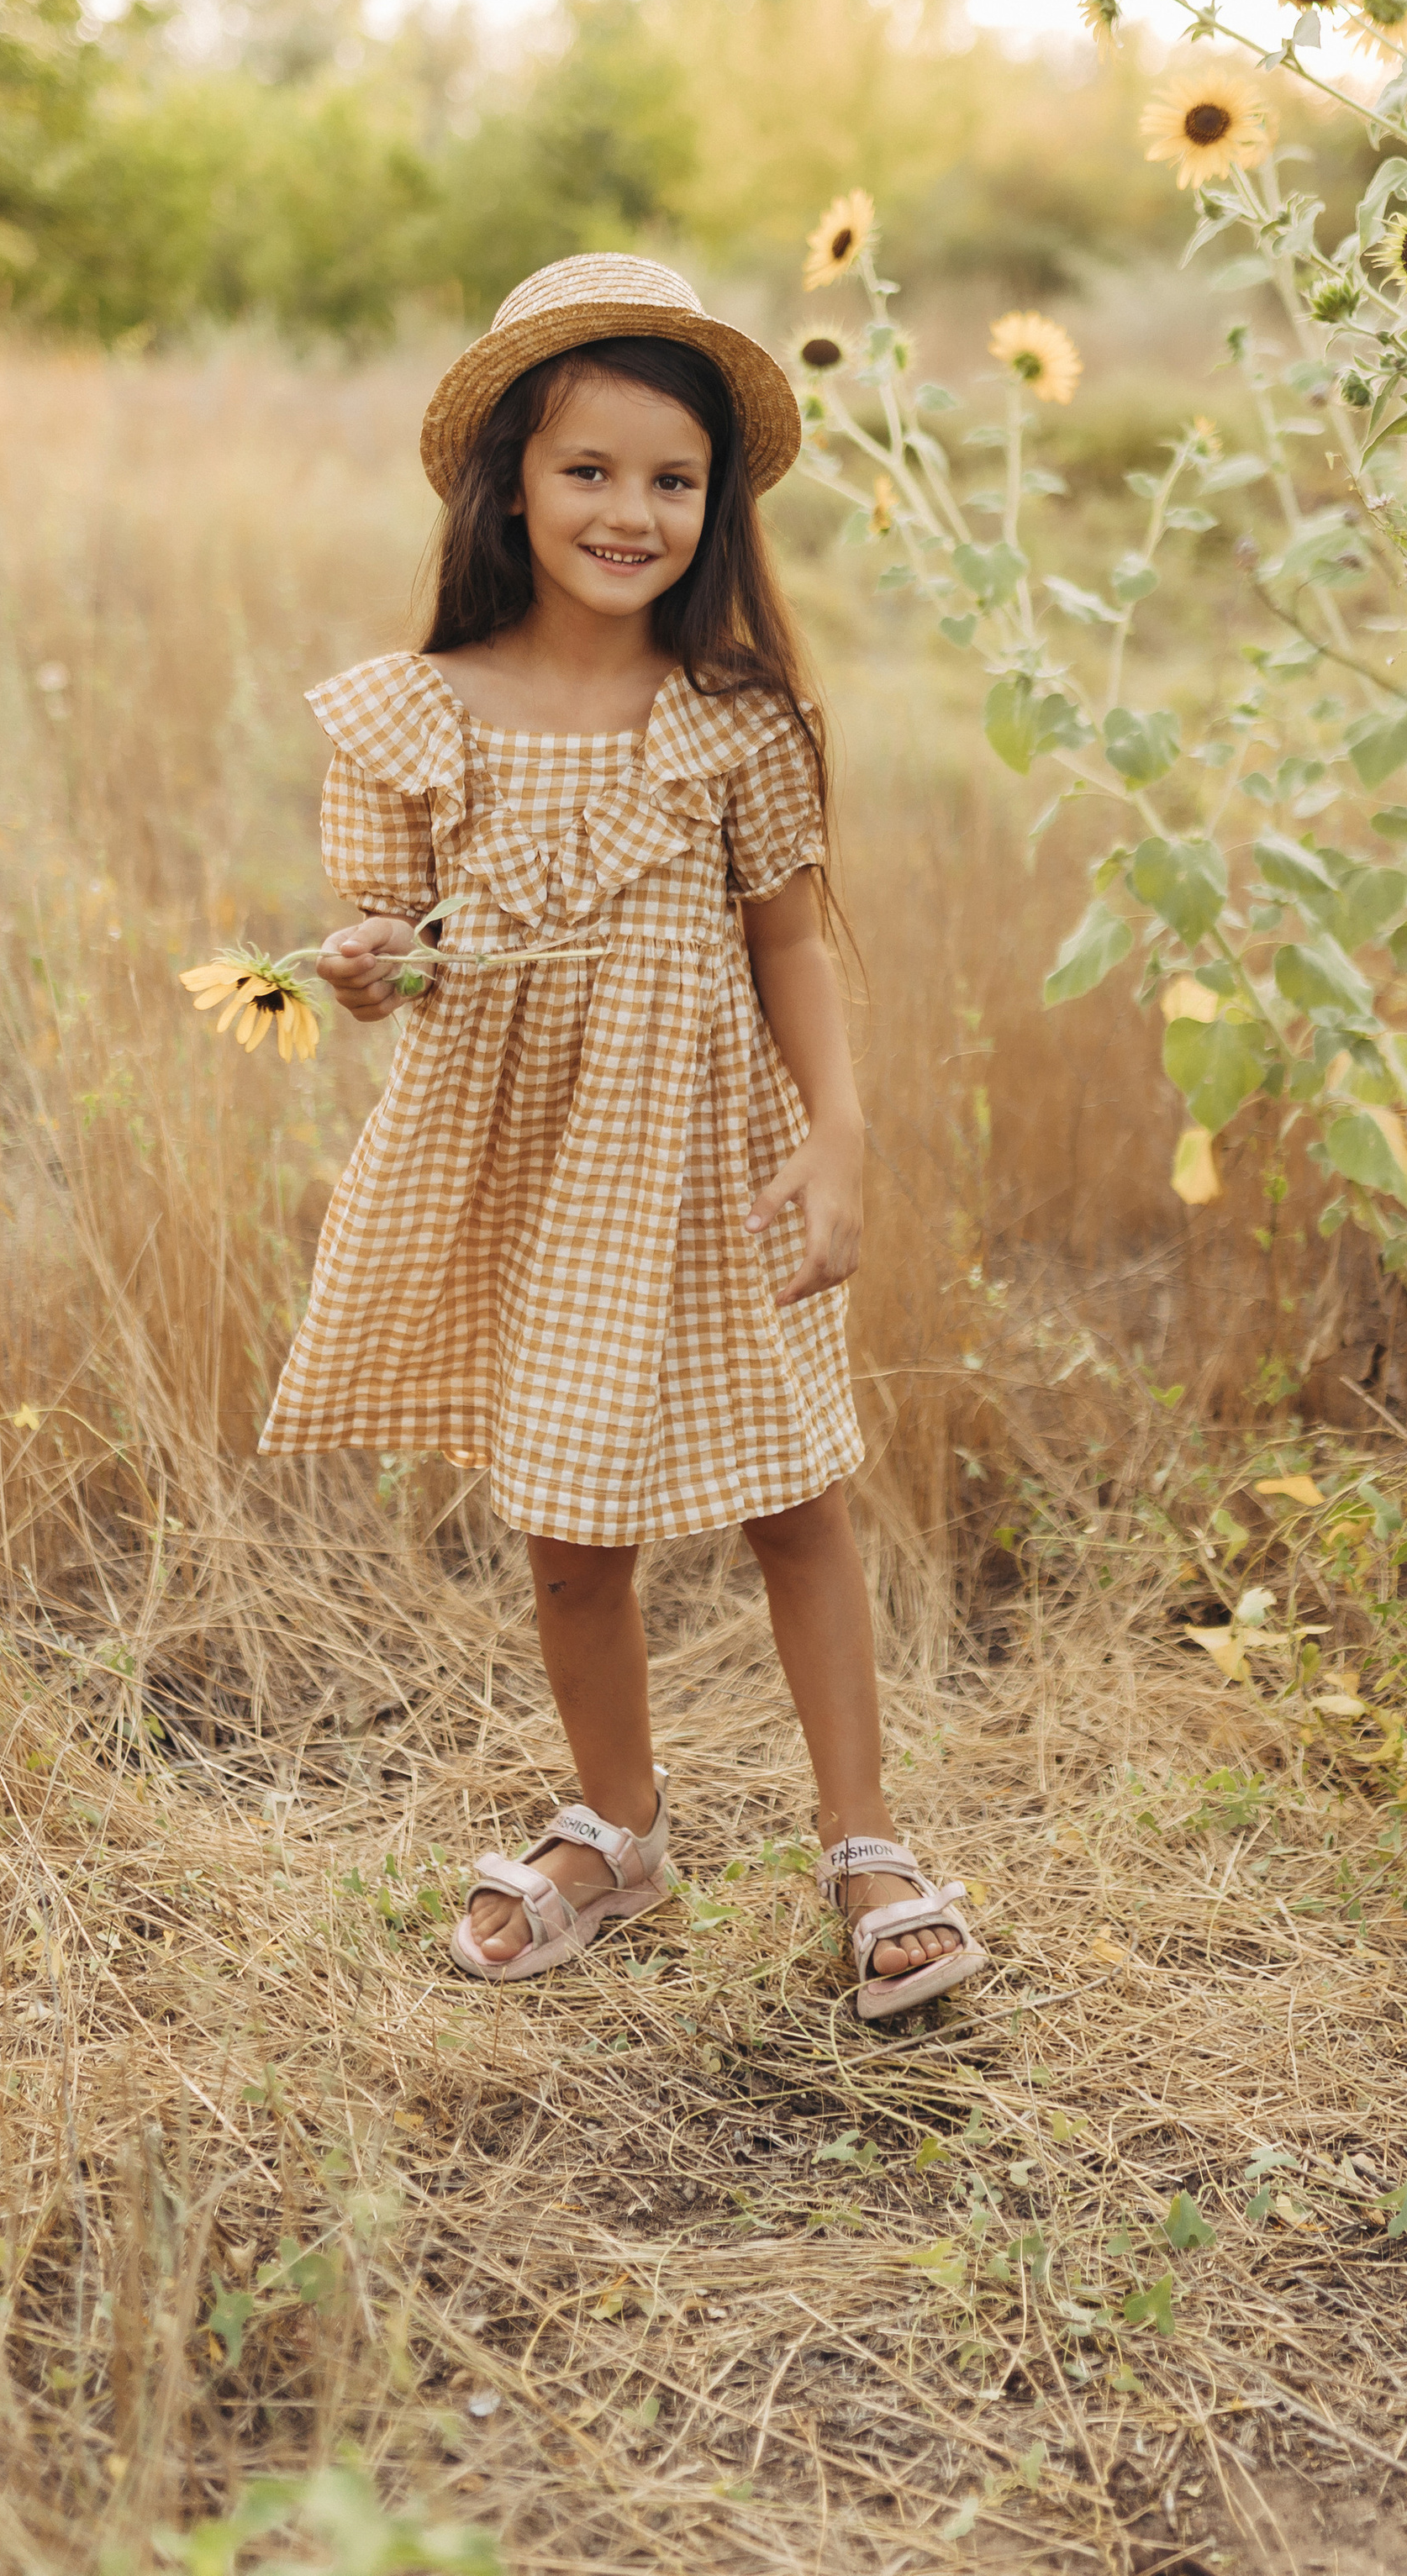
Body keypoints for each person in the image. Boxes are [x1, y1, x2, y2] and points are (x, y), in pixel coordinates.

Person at [260, 255, 984, 2022]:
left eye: (671, 481)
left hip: (709, 1148)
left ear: (714, 506)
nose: (629, 511)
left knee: (792, 1494)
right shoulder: (413, 711)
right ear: (509, 477)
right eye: (589, 471)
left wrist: (840, 1136)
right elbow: (413, 947)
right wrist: (370, 971)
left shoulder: (734, 719)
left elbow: (792, 941)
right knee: (570, 1525)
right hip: (527, 1164)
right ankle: (618, 1825)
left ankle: (864, 1842)